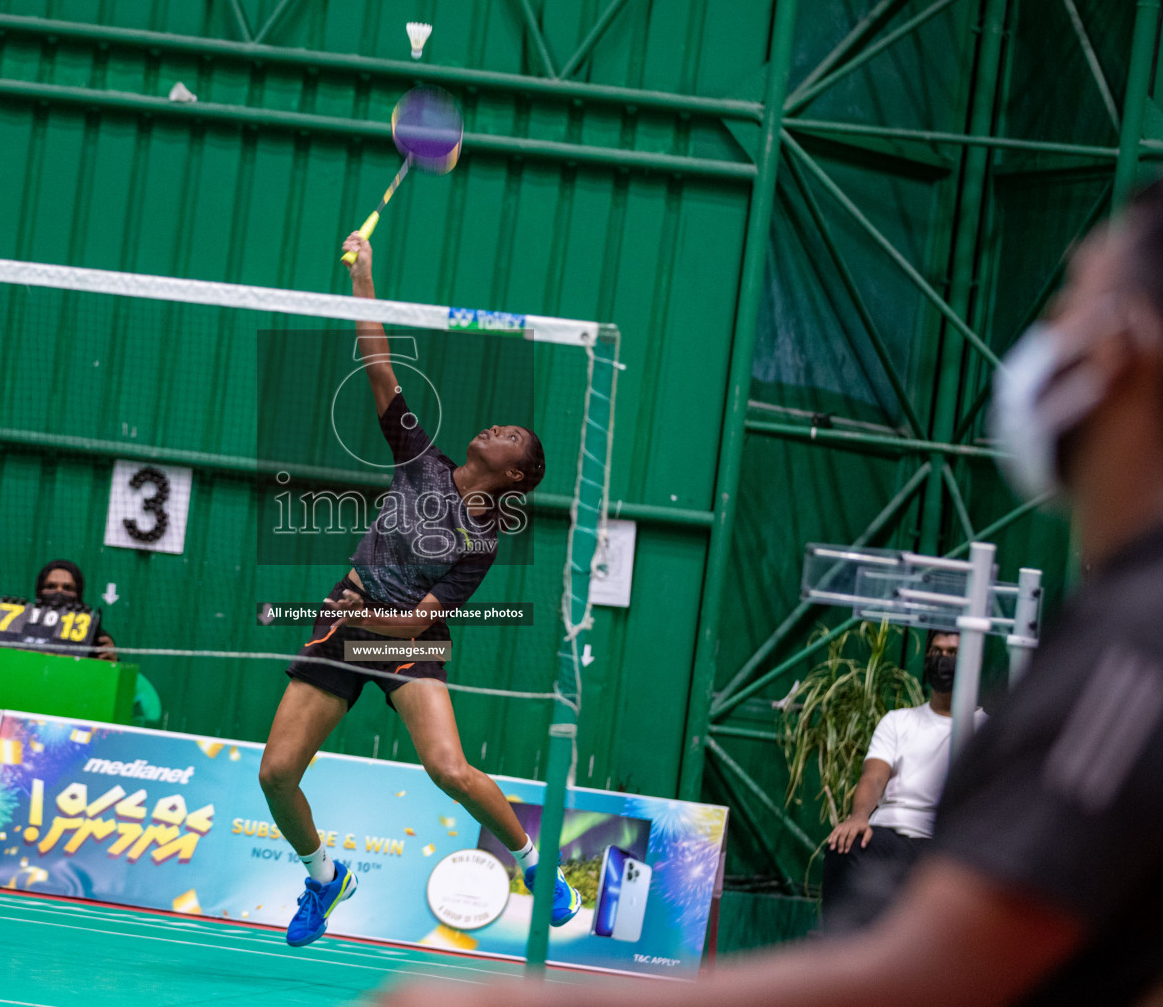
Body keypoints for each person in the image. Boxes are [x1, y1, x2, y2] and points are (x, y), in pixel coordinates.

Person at [378, 178, 1163, 1007]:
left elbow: (940, 975)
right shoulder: (1119, 617)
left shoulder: (1139, 643)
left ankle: (532, 867)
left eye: (1073, 300)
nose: (1046, 338)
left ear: (1127, 346)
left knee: (449, 767)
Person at [257, 232, 580, 949]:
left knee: (449, 769)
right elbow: (377, 359)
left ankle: (535, 866)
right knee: (276, 772)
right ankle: (323, 877)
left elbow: (415, 625)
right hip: (343, 625)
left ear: (517, 475)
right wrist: (364, 277)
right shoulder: (419, 459)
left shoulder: (484, 543)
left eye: (512, 437)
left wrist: (368, 613)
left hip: (399, 639)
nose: (497, 428)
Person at [821, 630, 984, 932]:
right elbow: (874, 776)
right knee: (844, 845)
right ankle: (836, 949)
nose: (943, 661)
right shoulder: (898, 720)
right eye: (937, 652)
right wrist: (858, 817)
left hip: (944, 845)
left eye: (953, 653)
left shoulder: (986, 729)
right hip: (889, 835)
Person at [34, 559, 118, 663]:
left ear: (78, 593)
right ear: (40, 591)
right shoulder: (18, 623)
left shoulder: (95, 635)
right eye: (51, 586)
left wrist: (112, 662)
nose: (59, 592)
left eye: (67, 588)